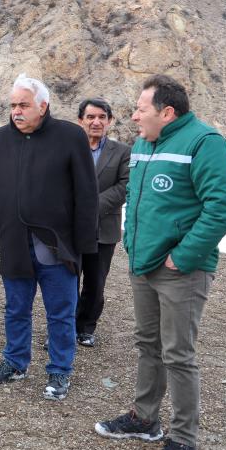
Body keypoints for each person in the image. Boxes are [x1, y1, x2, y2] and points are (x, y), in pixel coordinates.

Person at [95, 74, 226, 450]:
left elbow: (224, 205)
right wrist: (131, 243)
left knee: (178, 354)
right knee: (148, 344)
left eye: (141, 109)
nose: (134, 116)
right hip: (144, 263)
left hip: (181, 270)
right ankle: (145, 419)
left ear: (167, 112)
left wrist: (184, 255)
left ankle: (184, 442)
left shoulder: (204, 142)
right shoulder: (145, 143)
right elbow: (137, 198)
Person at [0, 74, 98, 401]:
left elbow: (86, 193)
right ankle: (15, 362)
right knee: (16, 308)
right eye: (13, 105)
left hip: (57, 246)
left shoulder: (70, 136)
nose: (16, 111)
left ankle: (60, 370)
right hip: (15, 243)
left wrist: (83, 245)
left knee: (60, 312)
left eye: (23, 105)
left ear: (43, 106)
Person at [74, 98, 131, 347]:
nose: (96, 122)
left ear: (110, 121)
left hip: (103, 227)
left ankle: (86, 327)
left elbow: (125, 185)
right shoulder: (69, 147)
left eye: (101, 117)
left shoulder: (122, 152)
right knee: (66, 281)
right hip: (70, 228)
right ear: (81, 121)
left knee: (95, 283)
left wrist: (91, 207)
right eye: (90, 117)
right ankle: (62, 328)